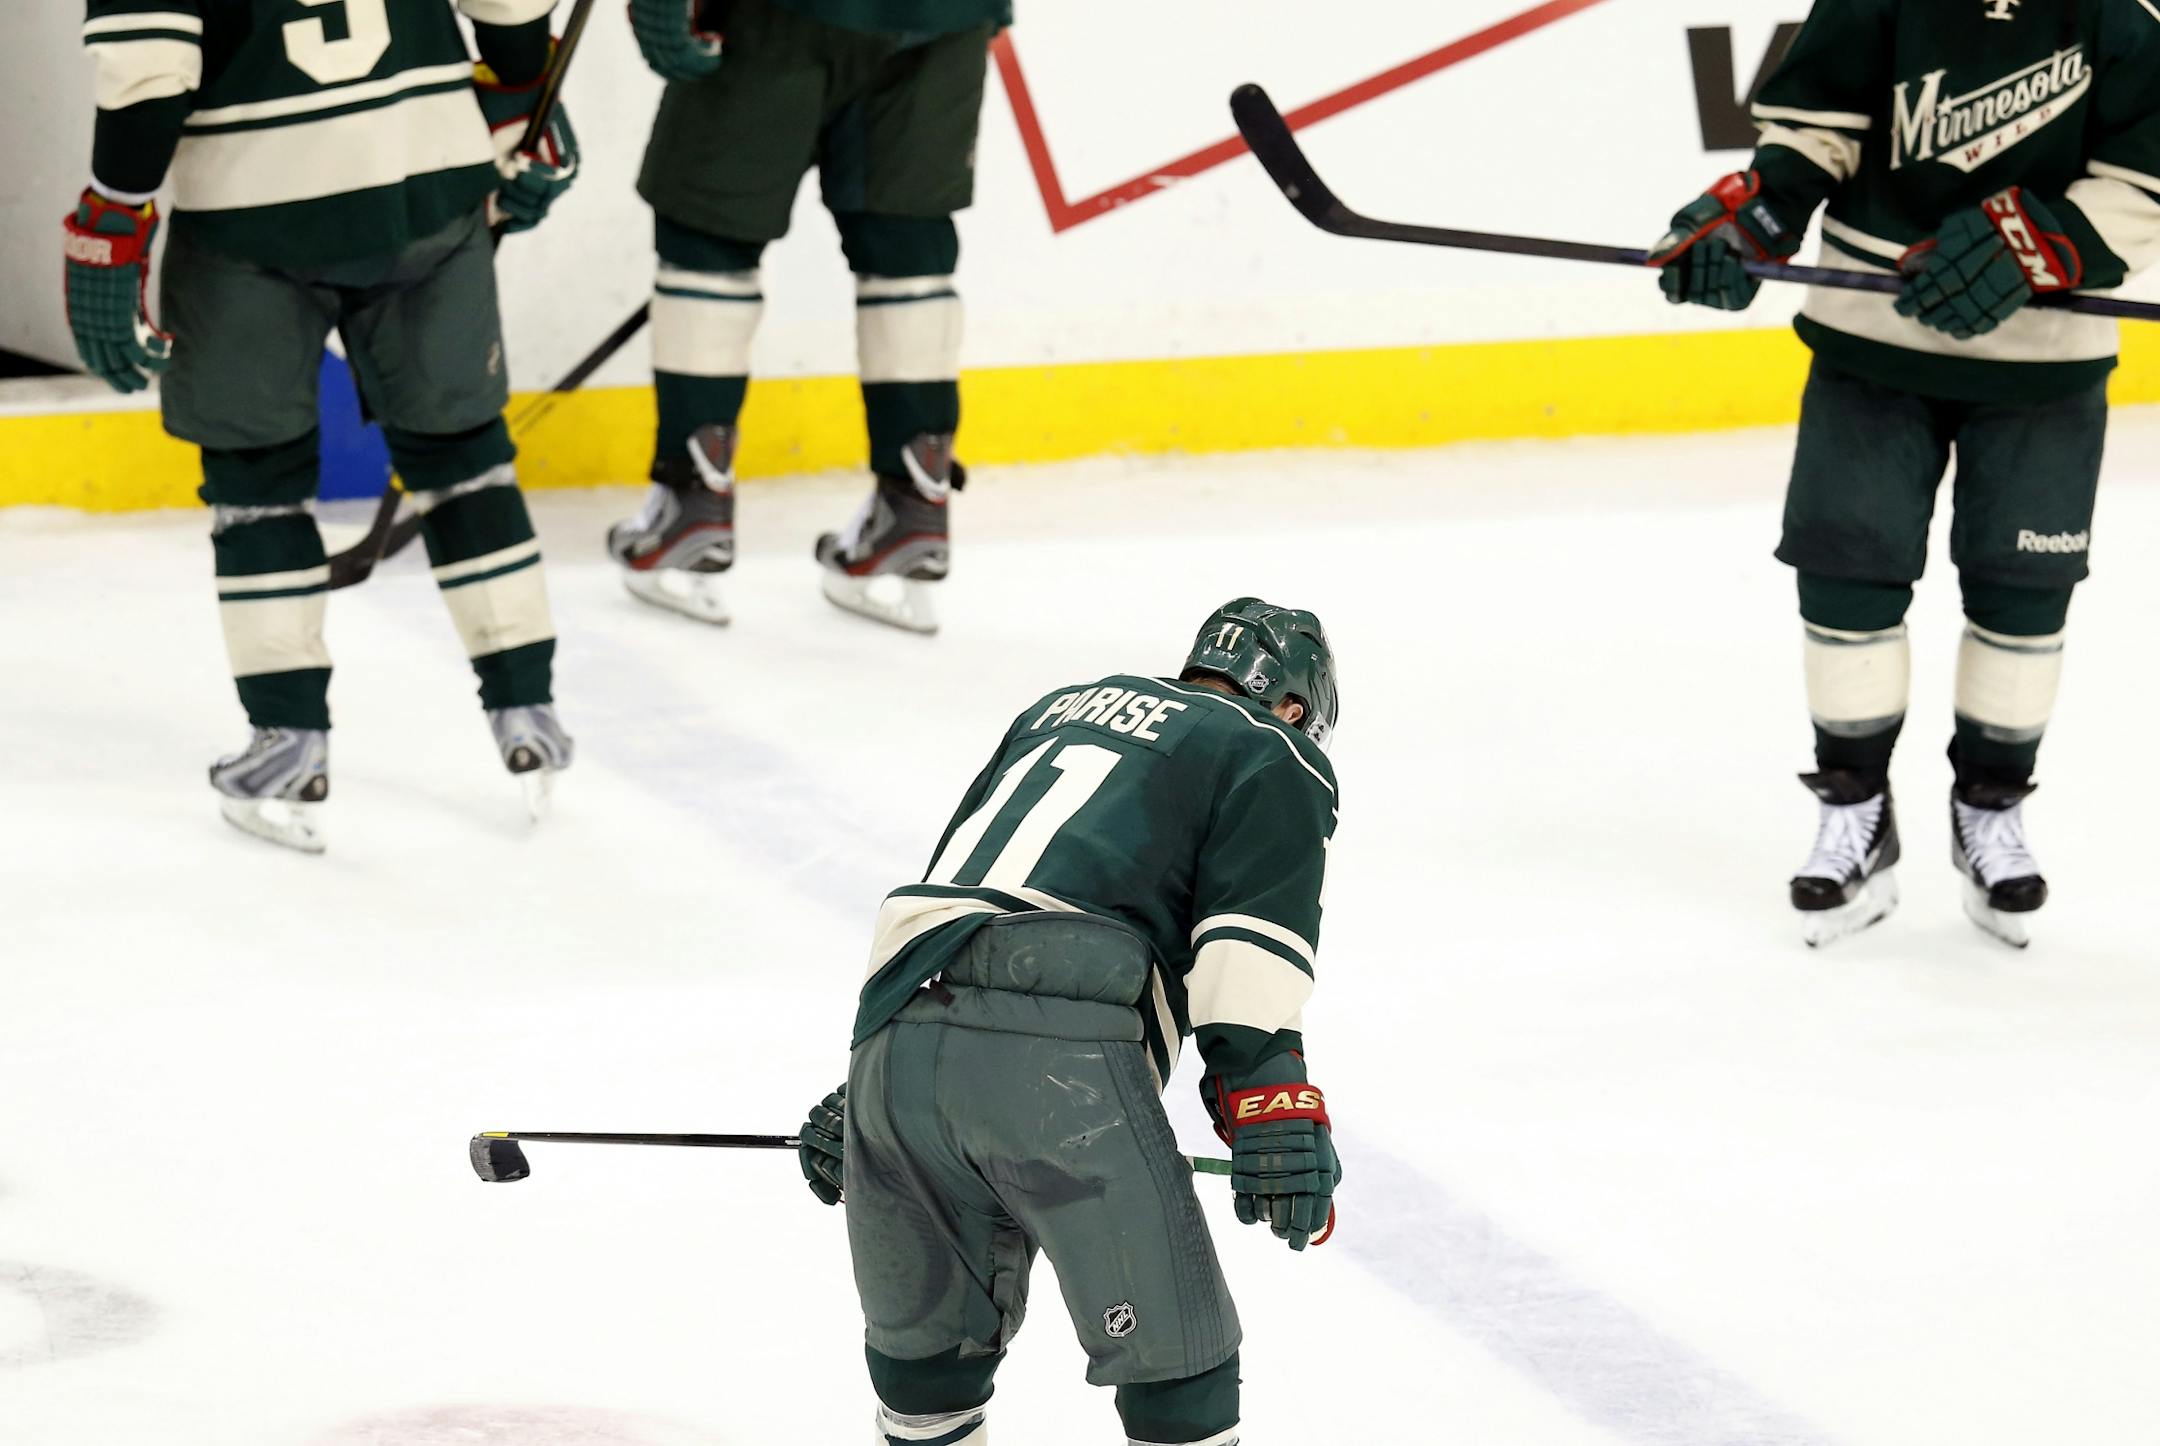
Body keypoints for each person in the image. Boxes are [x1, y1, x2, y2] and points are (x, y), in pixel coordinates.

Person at [1648, 0, 2160, 946]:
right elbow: (1816, 129)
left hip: (2048, 360)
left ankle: (1990, 808)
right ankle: (1857, 810)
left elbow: (2148, 172)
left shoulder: (2123, 12)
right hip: (1871, 344)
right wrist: (1757, 213)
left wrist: (2039, 242)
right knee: (1846, 578)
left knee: (2024, 593)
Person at [794, 598, 1342, 1445]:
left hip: (899, 1031)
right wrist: (1271, 1102)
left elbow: (975, 887)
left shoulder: (1055, 710)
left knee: (925, 1379)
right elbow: (1245, 951)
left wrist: (869, 1089)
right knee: (1182, 1380)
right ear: (1296, 707)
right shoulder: (1270, 748)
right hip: (1060, 1067)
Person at [68, 0, 581, 852]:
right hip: (431, 187)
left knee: (256, 479)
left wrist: (112, 219)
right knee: (464, 457)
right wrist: (524, 96)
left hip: (250, 217)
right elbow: (514, 12)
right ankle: (529, 712)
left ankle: (288, 742)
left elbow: (148, 75)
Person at [606, 0, 1009, 633]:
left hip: (779, 19)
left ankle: (691, 502)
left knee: (709, 238)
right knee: (909, 246)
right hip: (950, 15)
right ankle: (912, 505)